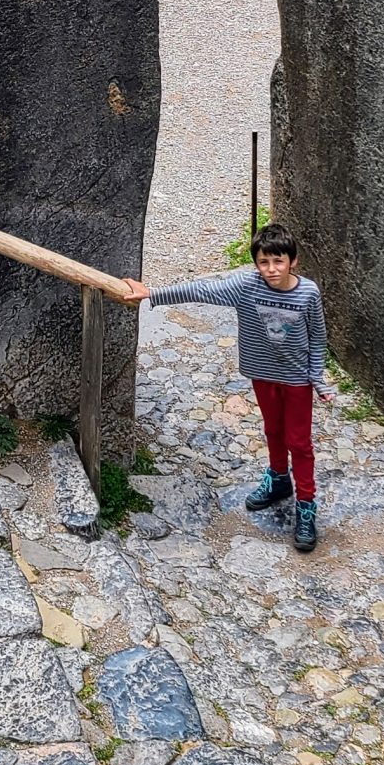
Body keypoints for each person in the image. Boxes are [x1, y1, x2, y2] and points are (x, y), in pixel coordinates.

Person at [126, 223, 329, 554]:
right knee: (273, 431)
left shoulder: (308, 293)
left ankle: (306, 505)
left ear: (293, 261)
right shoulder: (246, 287)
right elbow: (203, 290)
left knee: (300, 442)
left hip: (295, 379)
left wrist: (316, 376)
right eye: (264, 262)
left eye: (278, 261)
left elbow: (318, 336)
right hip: (262, 374)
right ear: (255, 263)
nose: (271, 269)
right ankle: (279, 480)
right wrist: (152, 294)